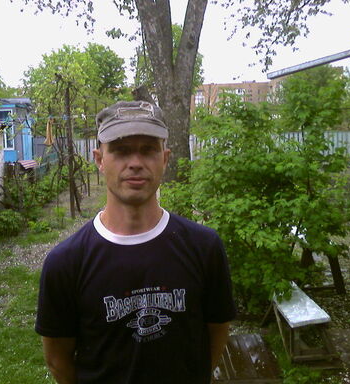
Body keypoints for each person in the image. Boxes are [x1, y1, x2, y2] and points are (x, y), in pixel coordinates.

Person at [35, 100, 236, 384]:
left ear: (165, 158)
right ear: (99, 159)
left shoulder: (204, 248)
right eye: (121, 150)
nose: (136, 163)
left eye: (148, 149)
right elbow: (57, 359)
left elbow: (217, 331)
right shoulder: (66, 263)